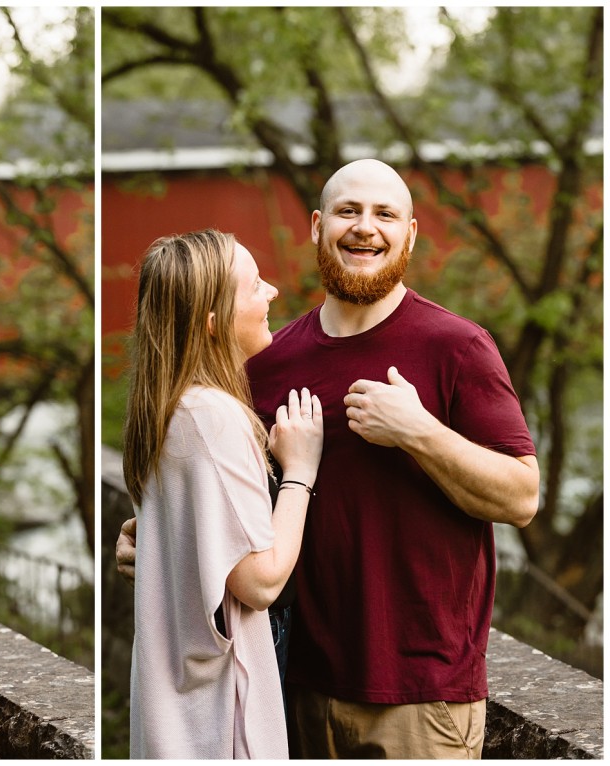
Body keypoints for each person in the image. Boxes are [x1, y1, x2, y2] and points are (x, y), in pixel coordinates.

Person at [118, 159, 540, 759]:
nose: (365, 227)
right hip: (291, 686)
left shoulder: (457, 347)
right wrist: (165, 540)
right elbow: (228, 494)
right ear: (317, 227)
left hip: (420, 696)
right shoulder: (266, 363)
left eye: (384, 214)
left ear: (410, 234)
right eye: (348, 211)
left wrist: (420, 432)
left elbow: (522, 497)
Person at [123, 229, 323, 759]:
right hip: (214, 721)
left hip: (178, 709)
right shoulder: (213, 417)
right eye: (256, 286)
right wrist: (301, 472)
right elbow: (260, 581)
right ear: (214, 323)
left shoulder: (169, 405)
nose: (273, 293)